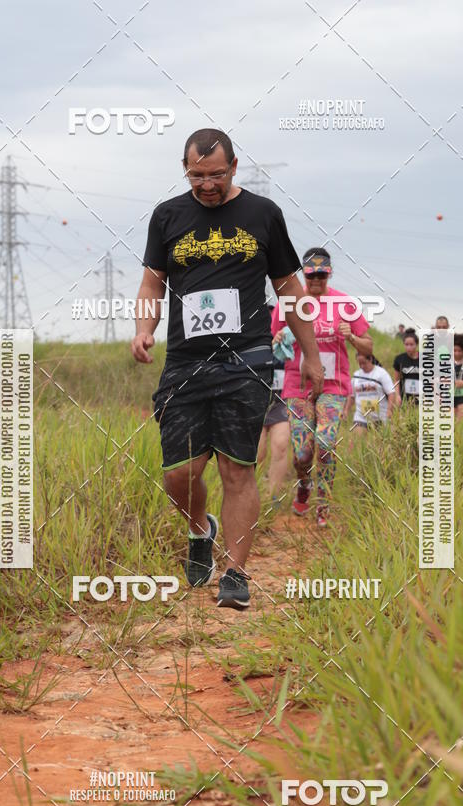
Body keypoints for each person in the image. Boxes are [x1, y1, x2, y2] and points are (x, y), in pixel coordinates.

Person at [132, 128, 323, 611]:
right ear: (185, 169)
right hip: (185, 363)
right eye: (197, 175)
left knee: (237, 469)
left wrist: (312, 354)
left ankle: (236, 572)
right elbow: (152, 285)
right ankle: (201, 529)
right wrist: (143, 329)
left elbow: (289, 288)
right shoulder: (168, 216)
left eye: (216, 174)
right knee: (180, 473)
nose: (207, 184)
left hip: (247, 358)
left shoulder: (262, 214)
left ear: (234, 167)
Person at [271, 248, 372, 527]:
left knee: (326, 443)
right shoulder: (290, 302)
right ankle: (304, 483)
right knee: (303, 451)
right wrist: (279, 337)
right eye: (311, 275)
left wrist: (351, 337)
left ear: (329, 274)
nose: (316, 281)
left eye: (321, 276)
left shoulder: (344, 303)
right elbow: (274, 343)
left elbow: (368, 345)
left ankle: (323, 502)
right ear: (304, 274)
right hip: (298, 384)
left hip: (334, 385)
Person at [257, 319, 291, 502]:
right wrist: (270, 345)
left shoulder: (292, 332)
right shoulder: (254, 329)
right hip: (258, 401)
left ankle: (273, 497)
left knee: (280, 445)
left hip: (282, 400)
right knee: (258, 452)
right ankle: (254, 494)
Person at [344, 352, 395, 434]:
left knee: (381, 444)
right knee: (358, 441)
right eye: (359, 363)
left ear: (370, 359)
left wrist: (389, 410)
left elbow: (391, 393)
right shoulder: (356, 375)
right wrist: (346, 410)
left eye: (364, 363)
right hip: (361, 416)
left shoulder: (381, 373)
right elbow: (352, 396)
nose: (362, 366)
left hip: (380, 416)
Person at [393, 330, 420, 405]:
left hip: (422, 398)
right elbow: (396, 380)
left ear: (416, 344)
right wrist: (397, 395)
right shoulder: (399, 359)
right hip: (405, 398)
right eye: (406, 344)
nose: (409, 347)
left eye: (411, 344)